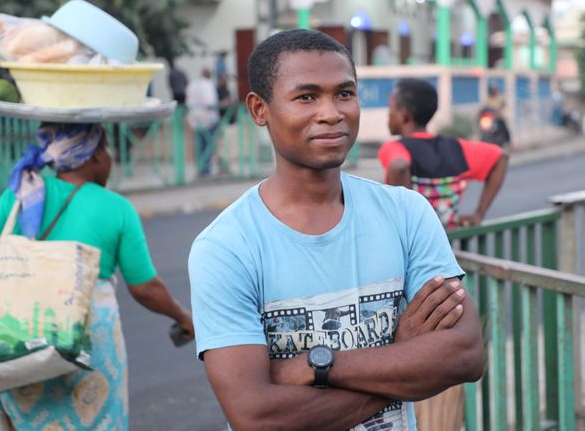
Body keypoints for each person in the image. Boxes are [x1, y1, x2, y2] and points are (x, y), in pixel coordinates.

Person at [188, 29, 484, 429]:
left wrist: (319, 364)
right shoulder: (225, 248)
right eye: (306, 97)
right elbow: (255, 416)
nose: (332, 112)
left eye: (344, 93)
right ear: (260, 110)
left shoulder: (406, 212)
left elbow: (464, 354)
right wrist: (402, 355)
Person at [0, 123, 194, 430]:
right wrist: (183, 316)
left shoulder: (17, 196)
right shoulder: (116, 207)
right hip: (86, 351)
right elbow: (145, 287)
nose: (110, 158)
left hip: (20, 341)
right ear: (93, 155)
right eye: (106, 150)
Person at [378, 78, 509, 229]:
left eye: (390, 109)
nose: (388, 115)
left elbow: (399, 166)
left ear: (403, 115)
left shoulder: (395, 148)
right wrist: (480, 213)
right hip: (447, 245)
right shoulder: (457, 147)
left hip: (413, 248)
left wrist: (404, 222)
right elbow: (501, 157)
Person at [186, 68, 220, 176]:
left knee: (200, 145)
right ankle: (206, 169)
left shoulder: (193, 85)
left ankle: (201, 168)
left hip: (196, 119)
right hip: (209, 119)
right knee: (209, 145)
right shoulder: (208, 85)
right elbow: (210, 102)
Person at [478, 84, 511, 149]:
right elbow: (485, 107)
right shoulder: (488, 99)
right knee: (483, 129)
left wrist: (500, 108)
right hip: (490, 119)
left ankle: (509, 142)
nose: (493, 91)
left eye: (494, 90)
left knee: (504, 128)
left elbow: (503, 104)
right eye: (492, 90)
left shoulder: (499, 98)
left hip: (498, 117)